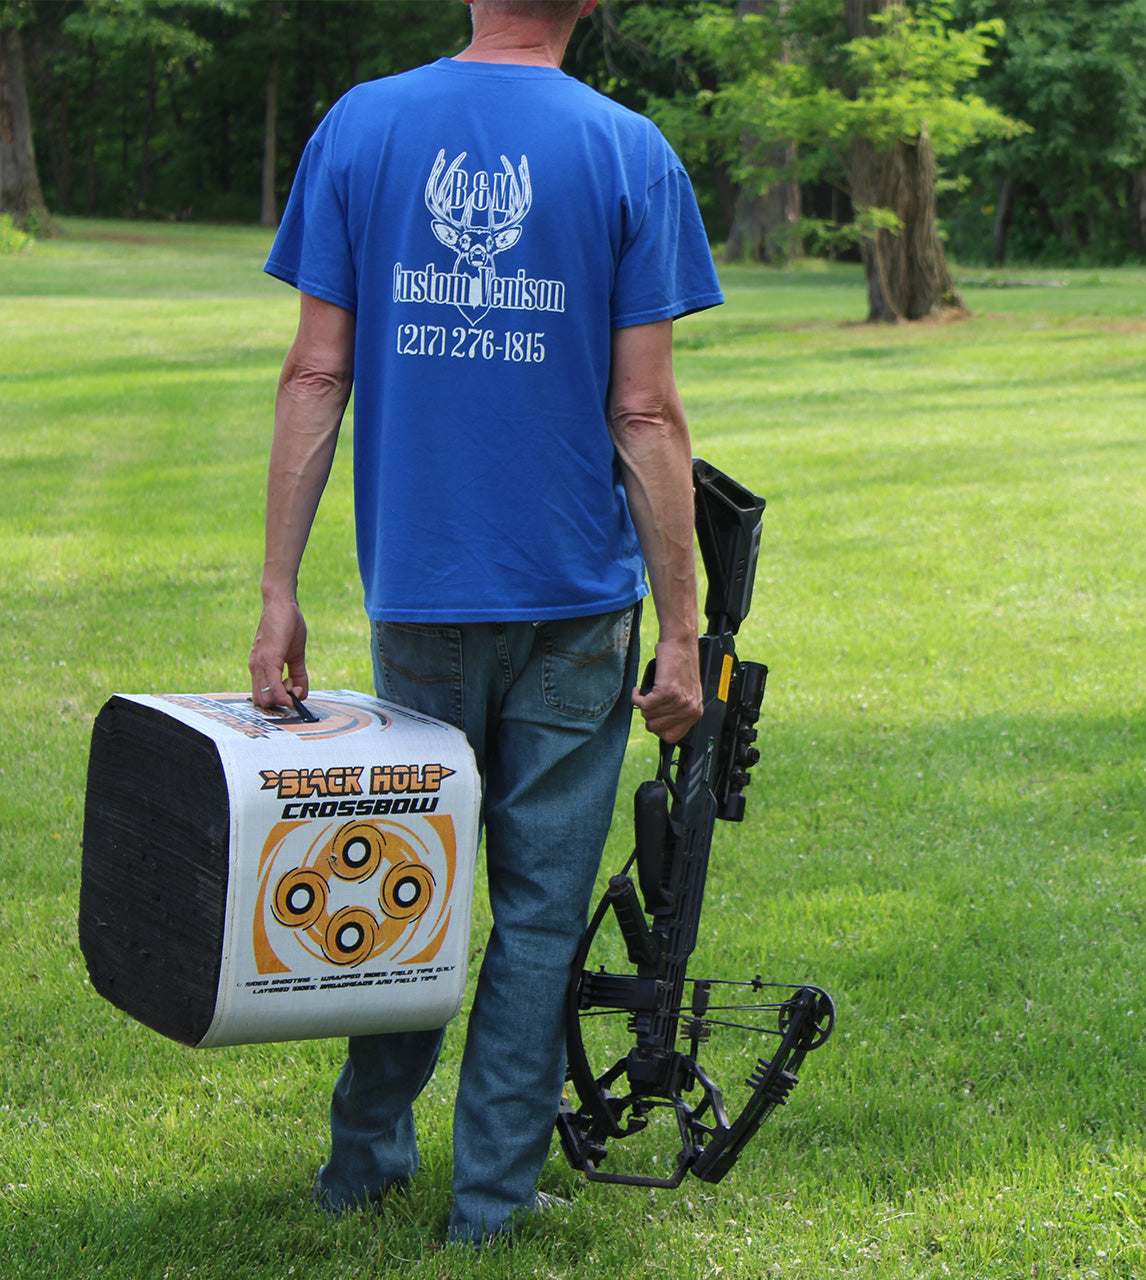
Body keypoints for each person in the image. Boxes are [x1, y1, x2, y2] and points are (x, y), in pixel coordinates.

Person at [247, 0, 723, 1246]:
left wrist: (277, 590)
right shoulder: (629, 150)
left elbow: (313, 372)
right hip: (574, 598)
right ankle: (488, 1205)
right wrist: (684, 631)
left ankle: (362, 1165)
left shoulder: (361, 127)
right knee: (536, 914)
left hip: (422, 590)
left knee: (409, 893)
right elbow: (647, 415)